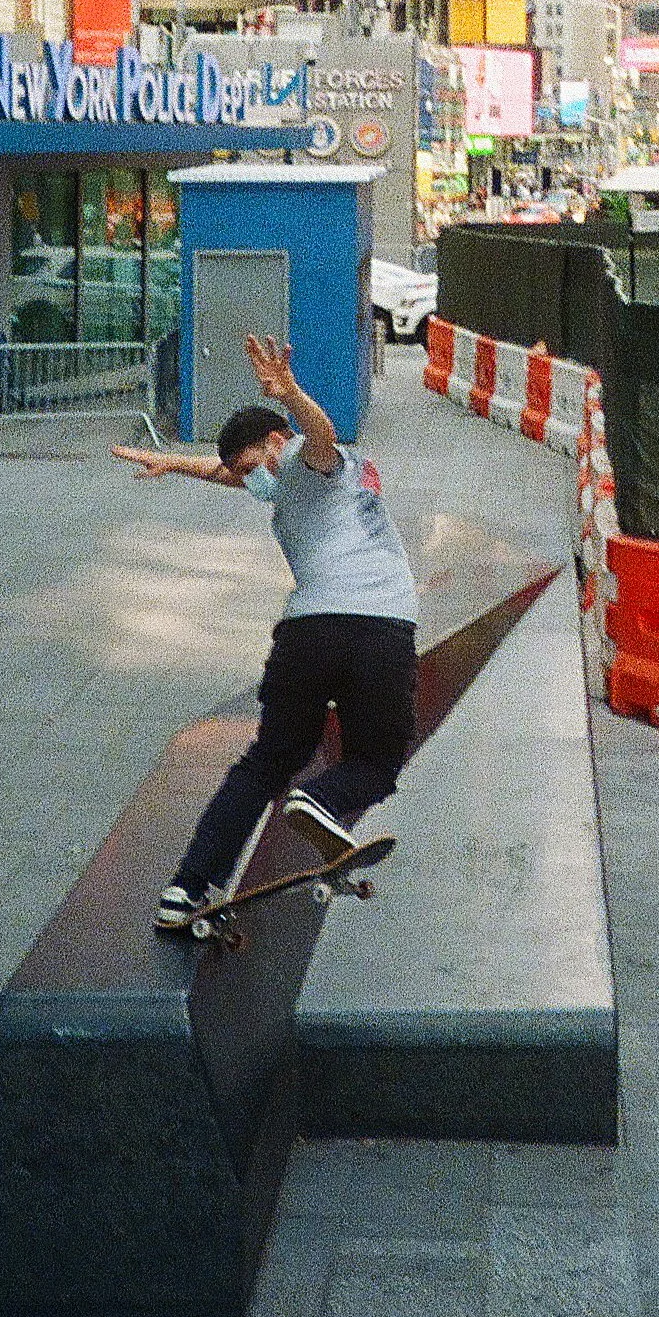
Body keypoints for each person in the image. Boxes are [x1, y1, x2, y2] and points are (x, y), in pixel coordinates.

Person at [114, 333, 420, 931]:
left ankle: (189, 885)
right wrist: (176, 463)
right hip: (376, 630)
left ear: (280, 438)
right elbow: (231, 472)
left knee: (267, 762)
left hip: (306, 635)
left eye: (258, 464)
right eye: (247, 474)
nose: (255, 481)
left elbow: (322, 433)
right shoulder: (276, 475)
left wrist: (291, 393)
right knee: (379, 759)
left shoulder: (315, 457)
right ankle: (321, 802)